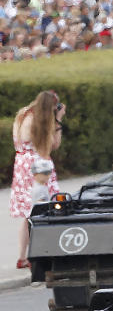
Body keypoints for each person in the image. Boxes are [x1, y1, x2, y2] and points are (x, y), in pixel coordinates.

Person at [10, 91, 64, 269]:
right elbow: (51, 145)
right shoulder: (37, 120)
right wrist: (58, 121)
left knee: (28, 214)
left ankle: (22, 256)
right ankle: (39, 255)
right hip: (37, 168)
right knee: (44, 209)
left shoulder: (23, 113)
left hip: (22, 165)